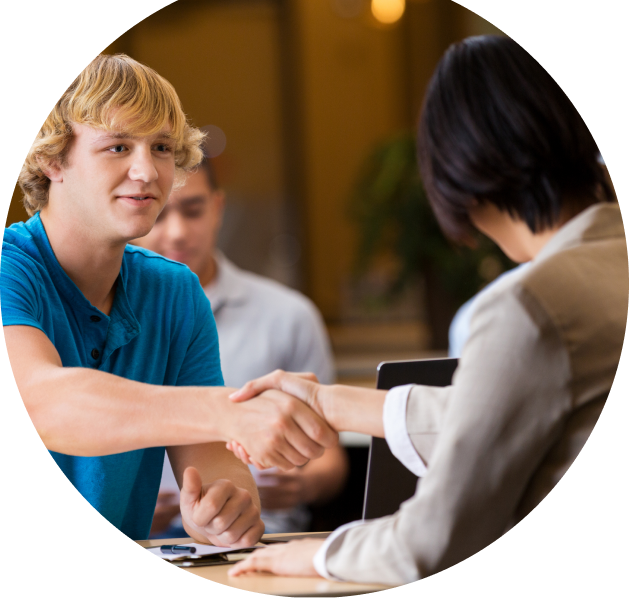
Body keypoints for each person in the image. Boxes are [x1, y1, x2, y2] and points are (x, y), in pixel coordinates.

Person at [225, 35, 628, 583]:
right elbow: (492, 415)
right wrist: (329, 402)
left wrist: (317, 555)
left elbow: (436, 539)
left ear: (460, 171)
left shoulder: (528, 307)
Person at [1, 54, 337, 544]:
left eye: (160, 147)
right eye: (117, 147)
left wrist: (222, 513)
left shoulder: (175, 291)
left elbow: (218, 473)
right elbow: (43, 406)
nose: (147, 171)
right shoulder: (11, 268)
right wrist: (231, 410)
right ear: (53, 159)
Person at [132, 150, 348, 536]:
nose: (178, 231)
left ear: (218, 207)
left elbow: (330, 459)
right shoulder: (103, 318)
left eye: (194, 210)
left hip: (264, 534)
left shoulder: (289, 315)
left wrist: (303, 484)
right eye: (160, 213)